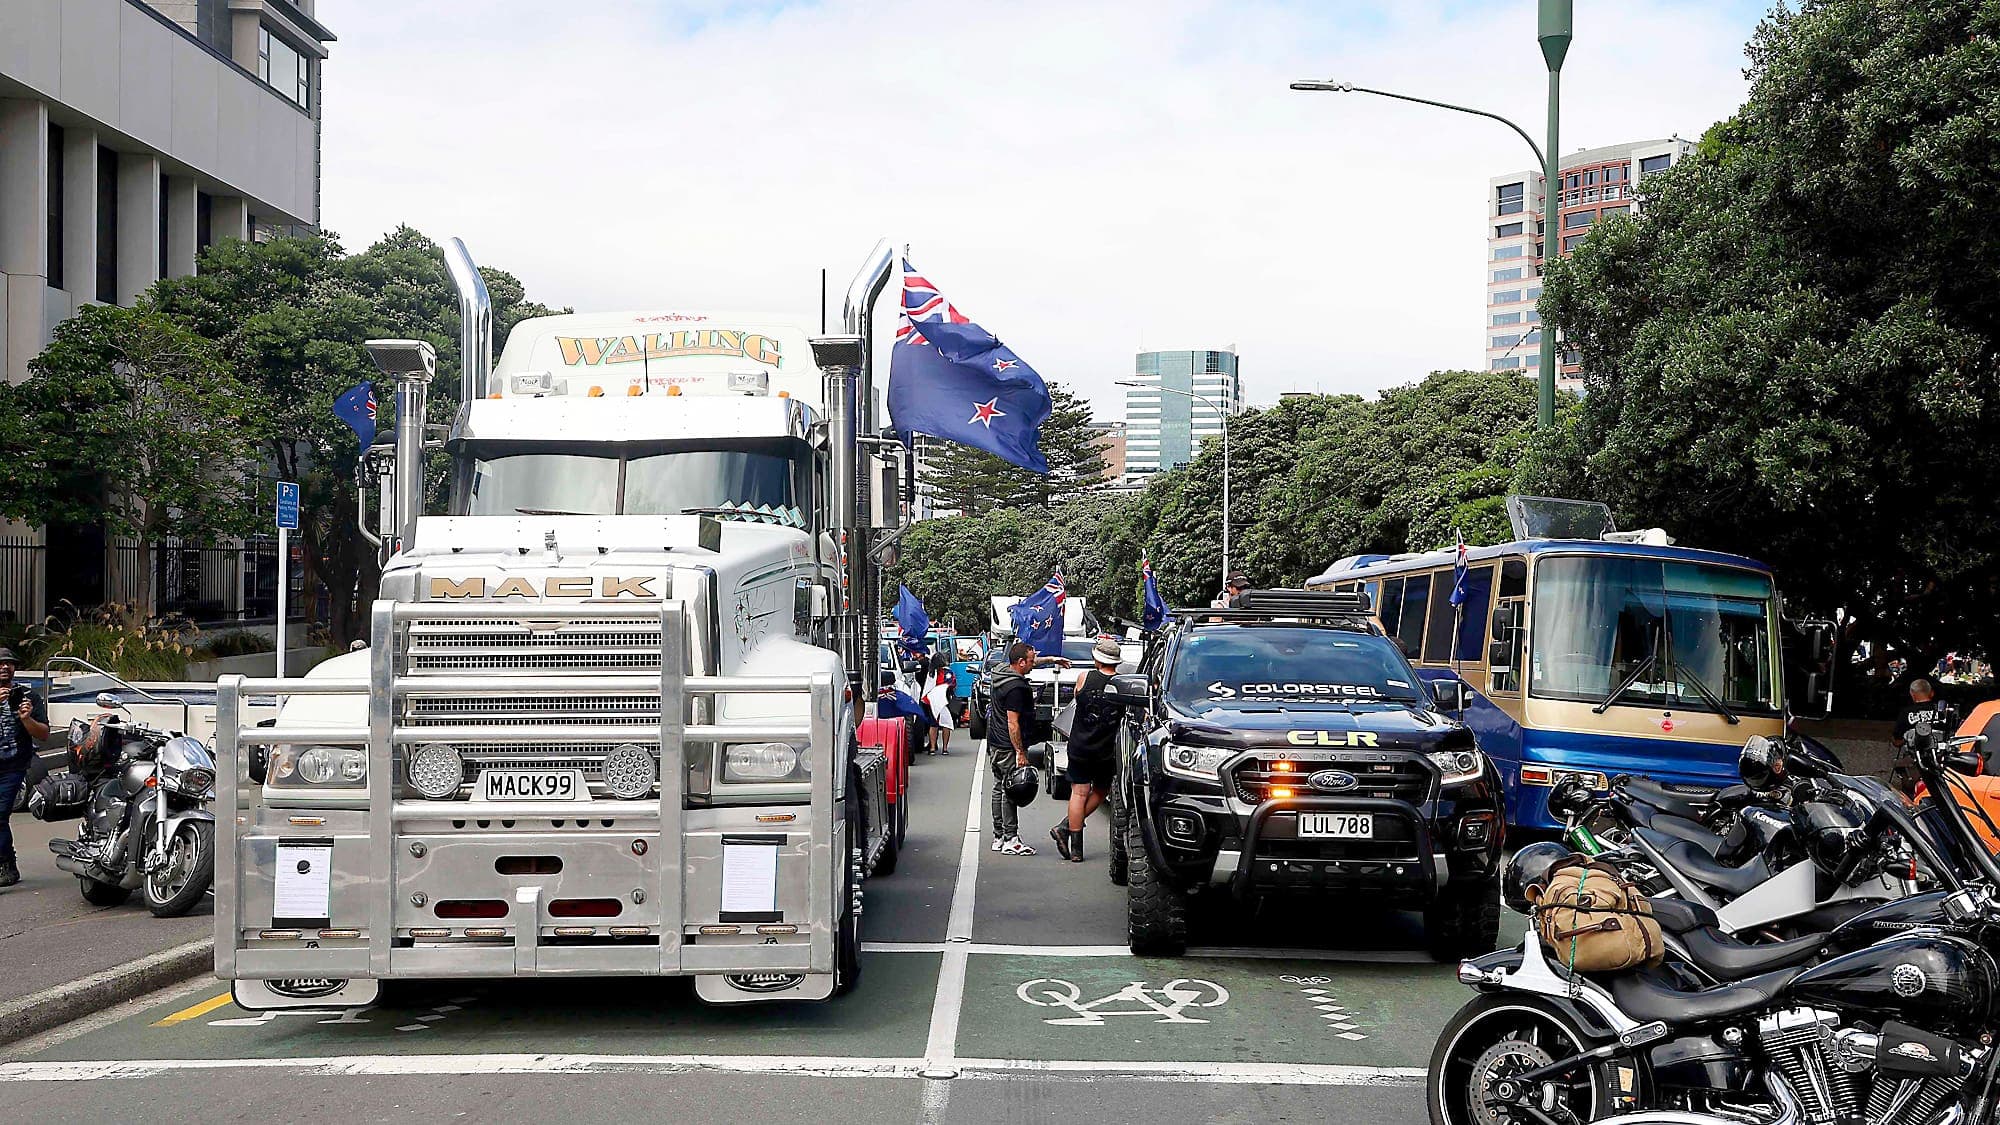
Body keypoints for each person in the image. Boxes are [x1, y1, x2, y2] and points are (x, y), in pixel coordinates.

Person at [984, 641, 1070, 856]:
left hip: (995, 741)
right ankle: (1011, 838)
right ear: (1021, 662)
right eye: (1031, 661)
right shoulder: (1017, 688)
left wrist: (1050, 660)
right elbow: (1013, 723)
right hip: (1007, 745)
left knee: (998, 787)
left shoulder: (1000, 672)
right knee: (1011, 790)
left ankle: (999, 836)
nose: (1033, 664)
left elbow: (1025, 660)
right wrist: (1021, 752)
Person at [1051, 636, 1125, 862]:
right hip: (1106, 749)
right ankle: (1064, 828)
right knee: (1101, 791)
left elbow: (1077, 699)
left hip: (1080, 744)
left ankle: (1075, 849)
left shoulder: (1084, 678)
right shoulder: (1123, 684)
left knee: (1078, 792)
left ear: (1096, 658)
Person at [0, 647, 50, 889]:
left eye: (9, 663)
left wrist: (26, 719)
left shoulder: (27, 696)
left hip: (13, 767)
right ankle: (8, 863)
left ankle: (5, 865)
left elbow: (44, 735)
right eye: (0, 663)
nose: (4, 667)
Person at [1890, 678, 1949, 796]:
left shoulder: (1906, 713)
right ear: (1931, 693)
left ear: (1912, 694)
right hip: (1940, 763)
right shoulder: (1943, 712)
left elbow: (1897, 742)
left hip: (1914, 767)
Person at [923, 649, 956, 755]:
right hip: (944, 701)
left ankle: (932, 748)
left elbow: (928, 688)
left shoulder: (931, 673)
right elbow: (952, 684)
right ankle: (944, 748)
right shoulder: (947, 672)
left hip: (934, 701)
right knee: (945, 724)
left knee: (934, 724)